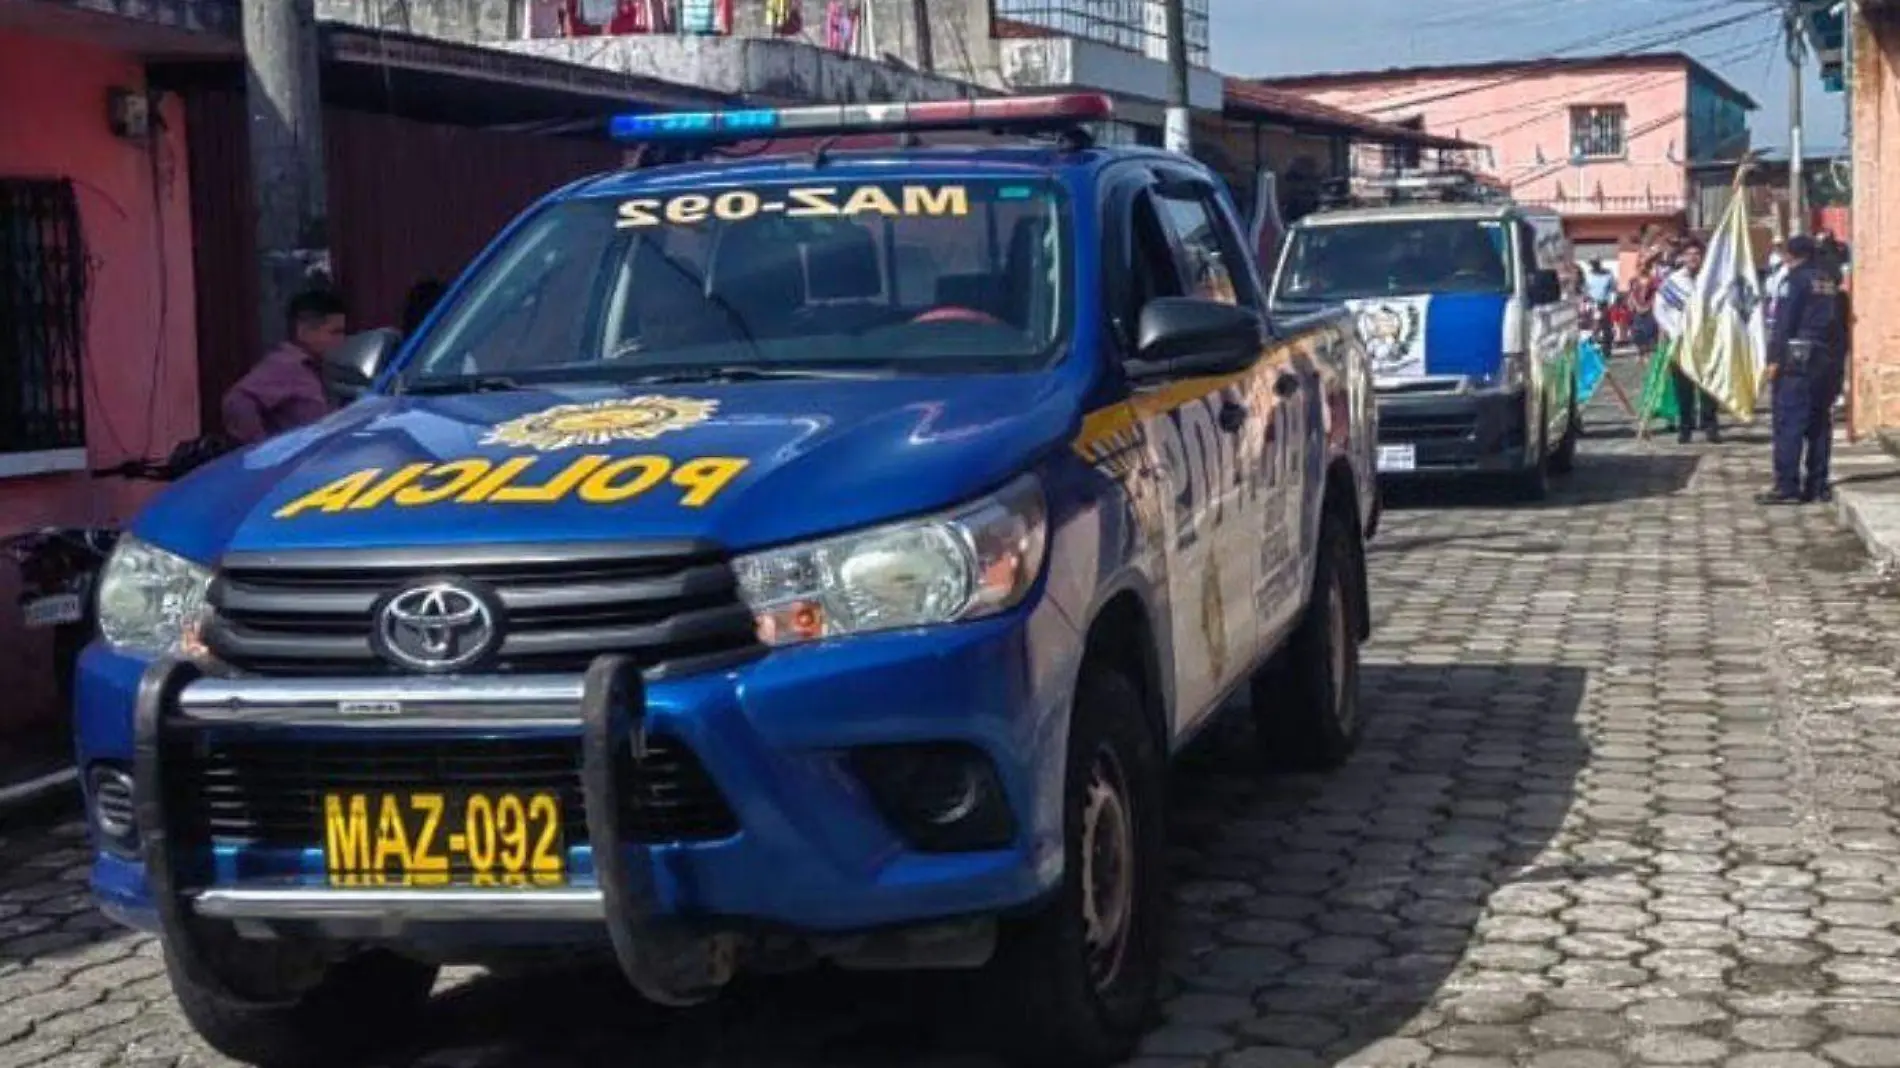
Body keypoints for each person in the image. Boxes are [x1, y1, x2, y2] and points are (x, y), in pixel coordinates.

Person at [1758, 235, 1847, 505]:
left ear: (1790, 255)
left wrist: (1773, 359)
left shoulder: (1794, 280)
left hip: (1797, 360)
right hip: (1826, 360)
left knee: (1790, 422)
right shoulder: (1828, 282)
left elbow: (1785, 323)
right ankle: (1817, 484)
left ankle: (1787, 485)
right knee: (1819, 423)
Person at [221, 289, 346, 446]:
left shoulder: (316, 367)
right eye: (334, 332)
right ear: (304, 331)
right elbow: (236, 401)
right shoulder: (285, 365)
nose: (341, 340)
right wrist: (260, 448)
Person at [1653, 238, 1720, 443]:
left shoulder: (1711, 280)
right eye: (1689, 254)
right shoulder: (1673, 282)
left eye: (1697, 254)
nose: (1693, 258)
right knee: (1683, 388)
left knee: (1708, 385)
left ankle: (1710, 426)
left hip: (1706, 342)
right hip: (1680, 341)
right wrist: (1674, 332)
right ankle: (1685, 427)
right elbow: (1659, 309)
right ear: (1682, 257)